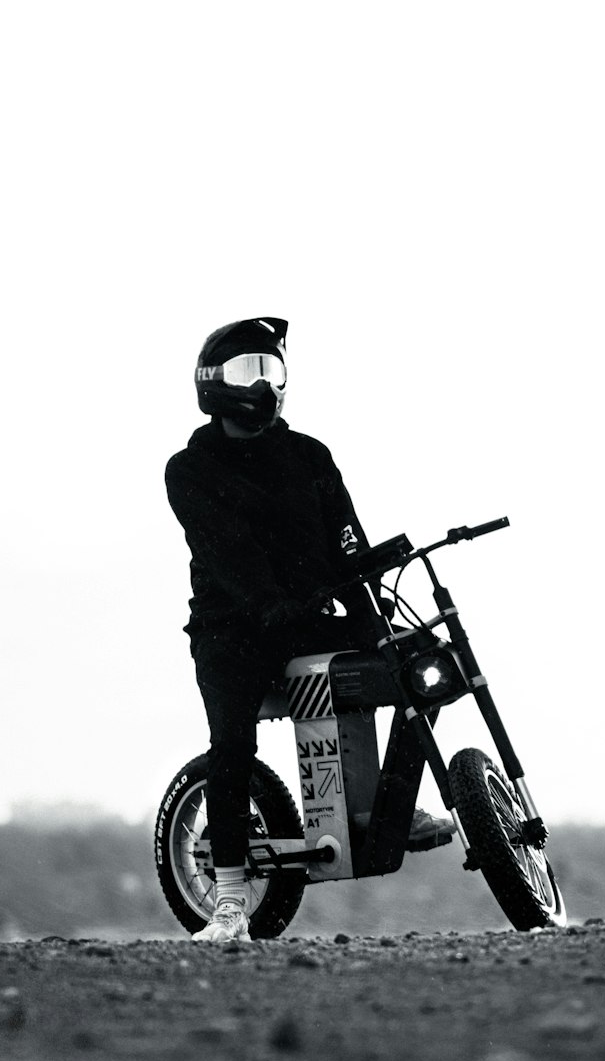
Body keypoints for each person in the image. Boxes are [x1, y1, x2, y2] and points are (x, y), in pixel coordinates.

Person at [164, 316, 453, 944]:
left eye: (273, 370)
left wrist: (371, 610)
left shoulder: (310, 456)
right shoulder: (188, 470)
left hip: (308, 623)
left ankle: (392, 809)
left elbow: (349, 544)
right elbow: (226, 552)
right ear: (213, 383)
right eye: (249, 371)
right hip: (230, 631)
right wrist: (271, 603)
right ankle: (231, 902)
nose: (264, 385)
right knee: (232, 746)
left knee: (422, 660)